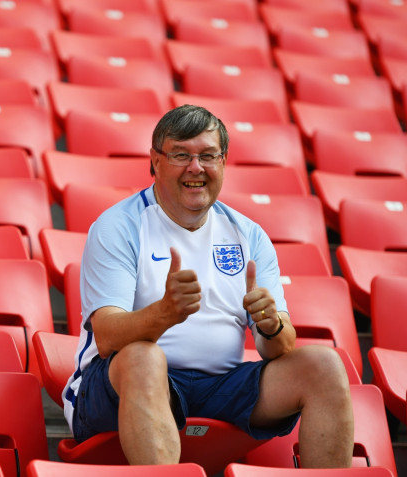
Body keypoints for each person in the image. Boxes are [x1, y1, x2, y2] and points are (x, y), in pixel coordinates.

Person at [61, 104, 354, 467]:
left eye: (208, 156)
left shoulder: (248, 234)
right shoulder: (118, 225)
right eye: (181, 154)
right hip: (117, 389)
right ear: (154, 161)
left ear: (223, 162)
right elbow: (106, 337)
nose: (195, 168)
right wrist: (164, 314)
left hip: (220, 387)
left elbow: (281, 346)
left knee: (324, 365)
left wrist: (271, 324)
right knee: (143, 357)